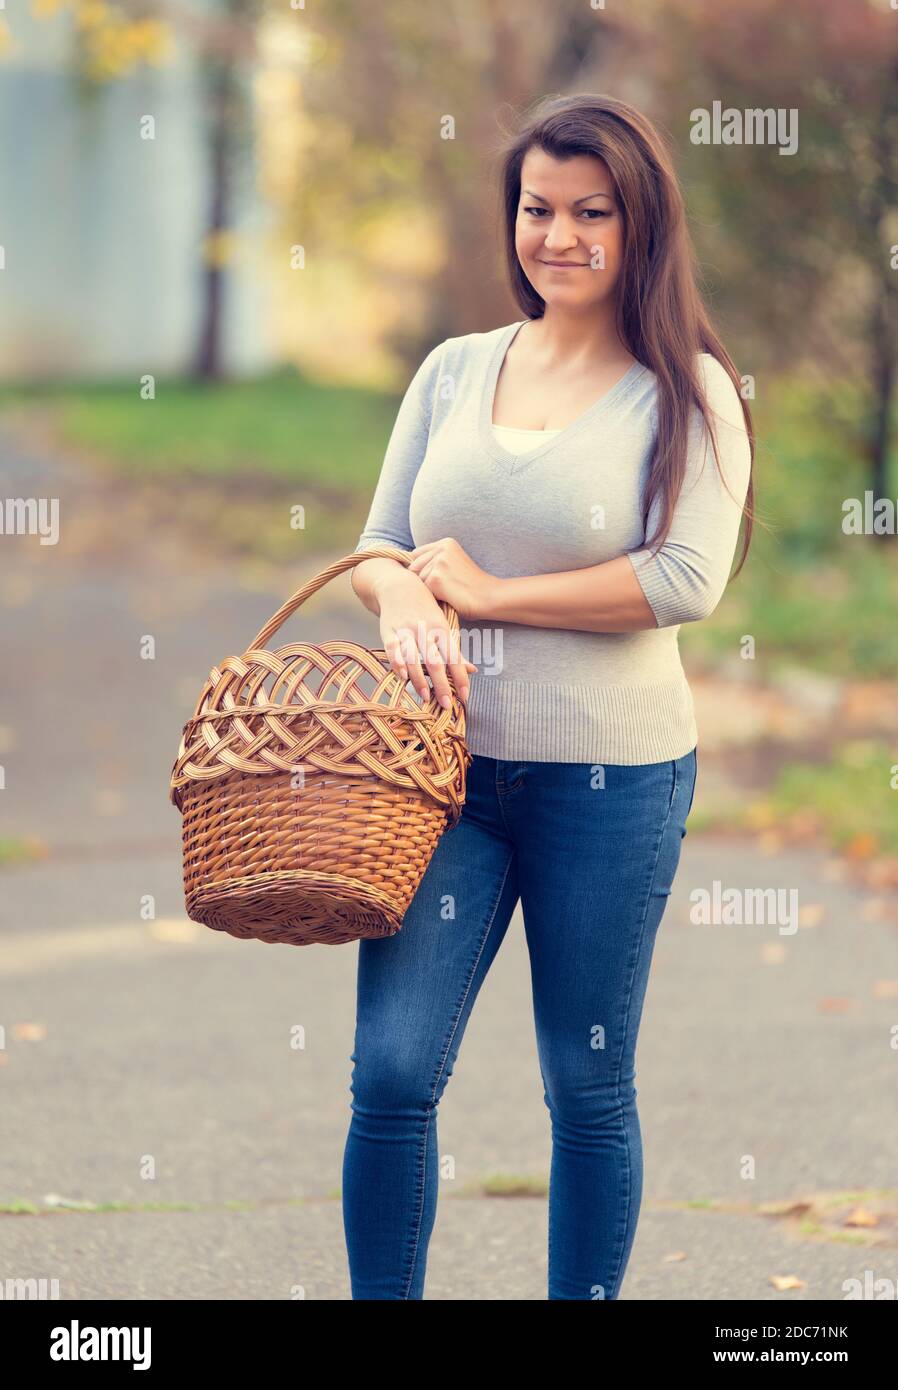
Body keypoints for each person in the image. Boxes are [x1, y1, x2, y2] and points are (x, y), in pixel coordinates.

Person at [342, 93, 755, 1300]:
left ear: (642, 228)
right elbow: (378, 542)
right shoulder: (454, 370)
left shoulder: (689, 390)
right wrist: (404, 599)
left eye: (592, 212)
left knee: (583, 1085)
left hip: (610, 781)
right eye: (537, 209)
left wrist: (483, 593)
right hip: (441, 779)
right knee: (391, 1072)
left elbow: (683, 580)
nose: (558, 235)